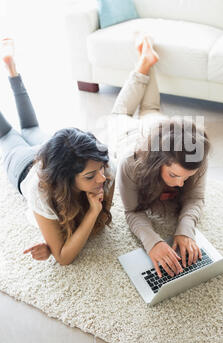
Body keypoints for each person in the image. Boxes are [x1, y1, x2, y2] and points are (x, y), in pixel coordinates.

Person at [0, 38, 115, 265]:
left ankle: (12, 69)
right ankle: (11, 70)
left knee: (32, 128)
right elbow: (64, 257)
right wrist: (91, 214)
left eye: (100, 169)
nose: (103, 178)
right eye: (91, 176)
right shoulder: (39, 192)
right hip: (24, 166)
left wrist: (91, 214)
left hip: (49, 150)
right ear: (65, 180)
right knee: (6, 135)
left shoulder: (103, 167)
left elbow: (99, 225)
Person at [113, 35, 211, 279]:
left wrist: (185, 230)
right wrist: (153, 242)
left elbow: (196, 197)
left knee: (152, 111)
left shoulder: (195, 155)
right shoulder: (130, 164)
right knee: (120, 113)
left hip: (161, 127)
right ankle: (144, 62)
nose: (181, 184)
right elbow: (132, 211)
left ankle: (146, 59)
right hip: (129, 133)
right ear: (158, 162)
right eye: (174, 175)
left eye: (187, 177)